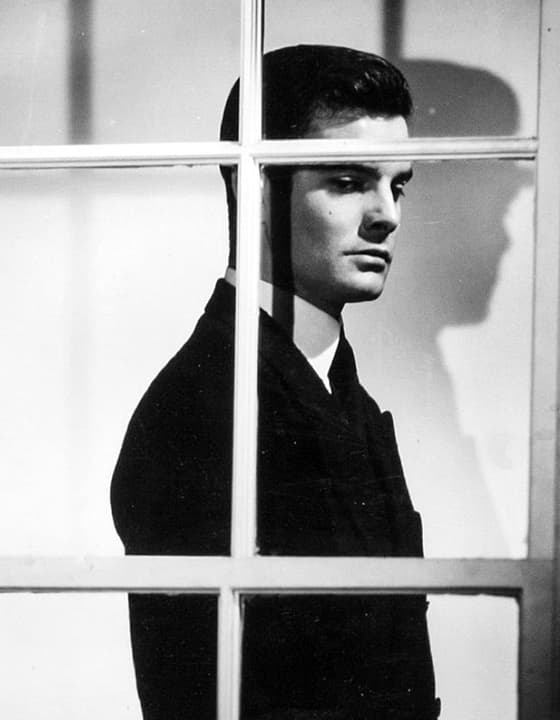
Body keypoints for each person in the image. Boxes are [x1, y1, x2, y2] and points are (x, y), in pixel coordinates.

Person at [110, 45, 440, 719]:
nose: (387, 215)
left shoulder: (342, 392)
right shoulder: (201, 408)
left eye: (397, 185)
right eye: (347, 181)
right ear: (253, 187)